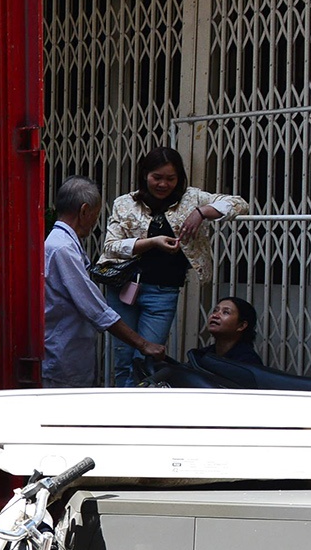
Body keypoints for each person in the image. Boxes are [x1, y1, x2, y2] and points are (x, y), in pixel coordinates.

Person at [100, 146, 249, 385]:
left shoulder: (191, 198)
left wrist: (201, 212)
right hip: (123, 290)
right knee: (123, 360)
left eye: (171, 179)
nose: (163, 184)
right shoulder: (125, 203)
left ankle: (135, 415)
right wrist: (151, 243)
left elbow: (239, 204)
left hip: (163, 293)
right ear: (144, 175)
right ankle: (122, 415)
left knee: (146, 361)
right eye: (156, 178)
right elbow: (110, 247)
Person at [45, 177, 165, 387]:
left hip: (67, 352)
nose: (95, 221)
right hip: (61, 356)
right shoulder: (62, 248)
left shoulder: (62, 243)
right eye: (96, 214)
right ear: (84, 211)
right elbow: (95, 309)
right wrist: (143, 344)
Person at [204, 295, 264, 365]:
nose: (215, 315)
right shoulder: (201, 356)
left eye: (226, 312)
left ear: (241, 326)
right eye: (215, 311)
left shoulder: (248, 362)